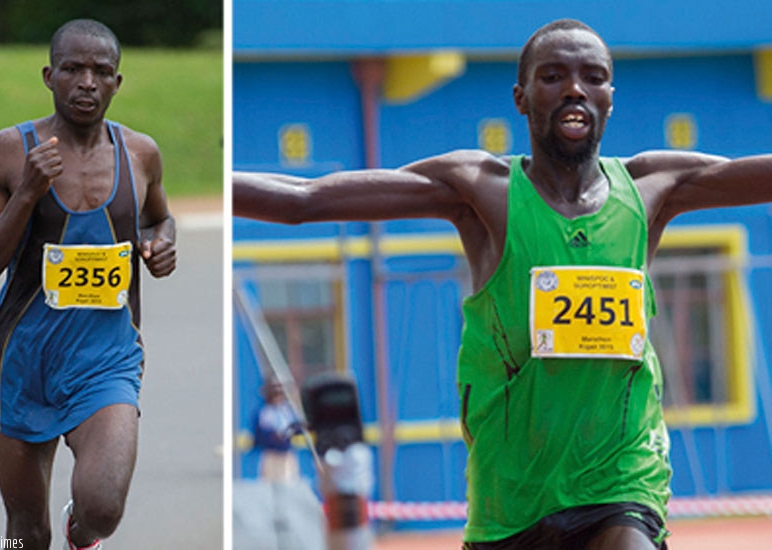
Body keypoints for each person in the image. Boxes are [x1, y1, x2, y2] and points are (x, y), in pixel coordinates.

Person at [234, 18, 772, 550]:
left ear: (611, 96)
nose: (576, 89)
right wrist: (156, 189)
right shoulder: (480, 189)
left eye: (594, 76)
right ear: (521, 96)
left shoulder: (654, 187)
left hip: (620, 478)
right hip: (510, 498)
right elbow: (303, 199)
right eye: (554, 76)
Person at [0, 19, 176, 550]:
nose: (87, 82)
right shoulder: (11, 151)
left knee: (102, 507)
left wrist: (162, 242)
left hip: (108, 358)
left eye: (102, 72)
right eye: (73, 69)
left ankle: (82, 534)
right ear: (48, 75)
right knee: (27, 535)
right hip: (23, 361)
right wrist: (27, 194)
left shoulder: (140, 154)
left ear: (117, 84)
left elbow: (158, 219)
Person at [251, 377, 303, 482]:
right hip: (271, 454)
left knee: (289, 482)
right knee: (269, 483)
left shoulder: (289, 410)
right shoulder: (264, 412)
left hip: (287, 453)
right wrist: (272, 436)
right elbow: (258, 434)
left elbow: (299, 427)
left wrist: (289, 432)